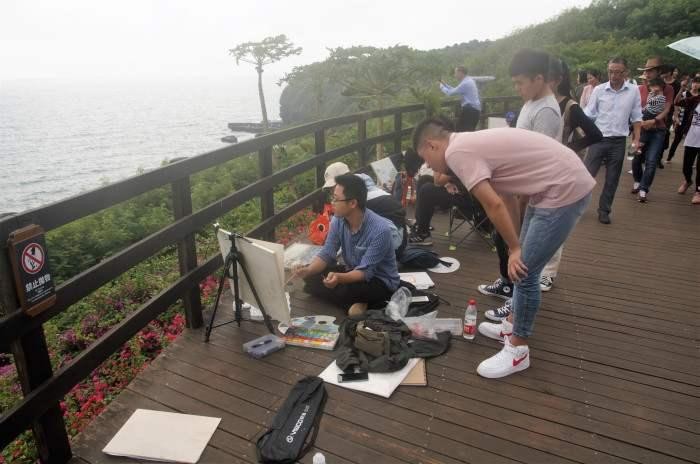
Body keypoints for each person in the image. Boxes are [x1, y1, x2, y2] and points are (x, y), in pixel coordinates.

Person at [413, 118, 595, 378]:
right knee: (522, 264)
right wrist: (515, 245)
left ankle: (518, 350)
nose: (430, 166)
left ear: (432, 145)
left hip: (563, 187)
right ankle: (512, 324)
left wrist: (516, 249)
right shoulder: (467, 145)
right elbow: (506, 197)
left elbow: (493, 205)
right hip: (551, 185)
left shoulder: (456, 153)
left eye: (426, 159)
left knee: (525, 273)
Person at [478, 49, 561, 319]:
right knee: (503, 237)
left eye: (520, 83)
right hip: (517, 190)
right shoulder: (531, 102)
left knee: (523, 253)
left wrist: (522, 204)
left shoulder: (546, 110)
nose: (517, 88)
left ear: (539, 78)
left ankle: (515, 306)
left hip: (535, 195)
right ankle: (507, 284)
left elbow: (538, 161)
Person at [294, 174, 400, 317]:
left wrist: (339, 278)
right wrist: (308, 270)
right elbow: (327, 252)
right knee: (311, 277)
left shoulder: (380, 230)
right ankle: (357, 303)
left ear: (352, 203)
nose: (332, 203)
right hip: (351, 271)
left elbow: (365, 272)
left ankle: (363, 301)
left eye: (336, 199)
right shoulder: (338, 220)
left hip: (378, 280)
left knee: (347, 289)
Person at [540, 59, 602, 290]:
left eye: (546, 77)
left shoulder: (569, 106)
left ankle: (549, 272)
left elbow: (595, 134)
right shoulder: (536, 103)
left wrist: (568, 148)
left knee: (554, 220)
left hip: (558, 171)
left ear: (558, 79)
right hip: (536, 170)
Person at [583, 57, 642, 224]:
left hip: (618, 141)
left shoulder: (633, 91)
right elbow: (589, 113)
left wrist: (636, 140)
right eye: (610, 72)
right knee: (586, 175)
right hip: (598, 139)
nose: (614, 76)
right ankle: (576, 207)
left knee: (612, 179)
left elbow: (637, 117)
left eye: (618, 72)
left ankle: (604, 210)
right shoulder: (599, 90)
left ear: (625, 72)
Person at [322, 162, 407, 258]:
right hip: (401, 235)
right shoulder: (364, 187)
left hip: (394, 247)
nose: (332, 192)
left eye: (333, 187)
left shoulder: (359, 201)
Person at [631, 58, 675, 202]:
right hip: (641, 128)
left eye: (650, 70)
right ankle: (637, 180)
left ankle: (643, 189)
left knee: (651, 161)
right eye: (646, 71)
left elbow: (667, 108)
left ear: (658, 71)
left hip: (658, 130)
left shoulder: (667, 89)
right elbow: (636, 109)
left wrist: (654, 120)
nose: (647, 73)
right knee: (636, 158)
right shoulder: (640, 88)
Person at [407, 172, 487, 246]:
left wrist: (436, 167)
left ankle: (423, 234)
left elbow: (438, 181)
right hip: (459, 190)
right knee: (424, 179)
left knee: (427, 190)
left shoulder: (457, 161)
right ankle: (420, 224)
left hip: (470, 199)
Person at [675, 77, 700, 204]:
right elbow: (677, 102)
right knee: (686, 166)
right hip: (692, 137)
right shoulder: (695, 99)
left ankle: (698, 191)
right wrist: (682, 88)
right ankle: (688, 180)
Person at [439, 66, 481, 132]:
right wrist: (445, 84)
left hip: (470, 111)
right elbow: (455, 89)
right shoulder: (469, 80)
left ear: (460, 73)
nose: (455, 75)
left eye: (455, 73)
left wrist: (441, 87)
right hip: (474, 110)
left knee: (461, 131)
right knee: (468, 132)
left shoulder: (465, 83)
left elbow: (450, 93)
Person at [667, 76, 690, 163]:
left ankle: (690, 161)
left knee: (692, 143)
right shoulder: (685, 93)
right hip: (682, 119)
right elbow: (676, 103)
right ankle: (669, 157)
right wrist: (676, 116)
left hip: (693, 122)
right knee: (676, 140)